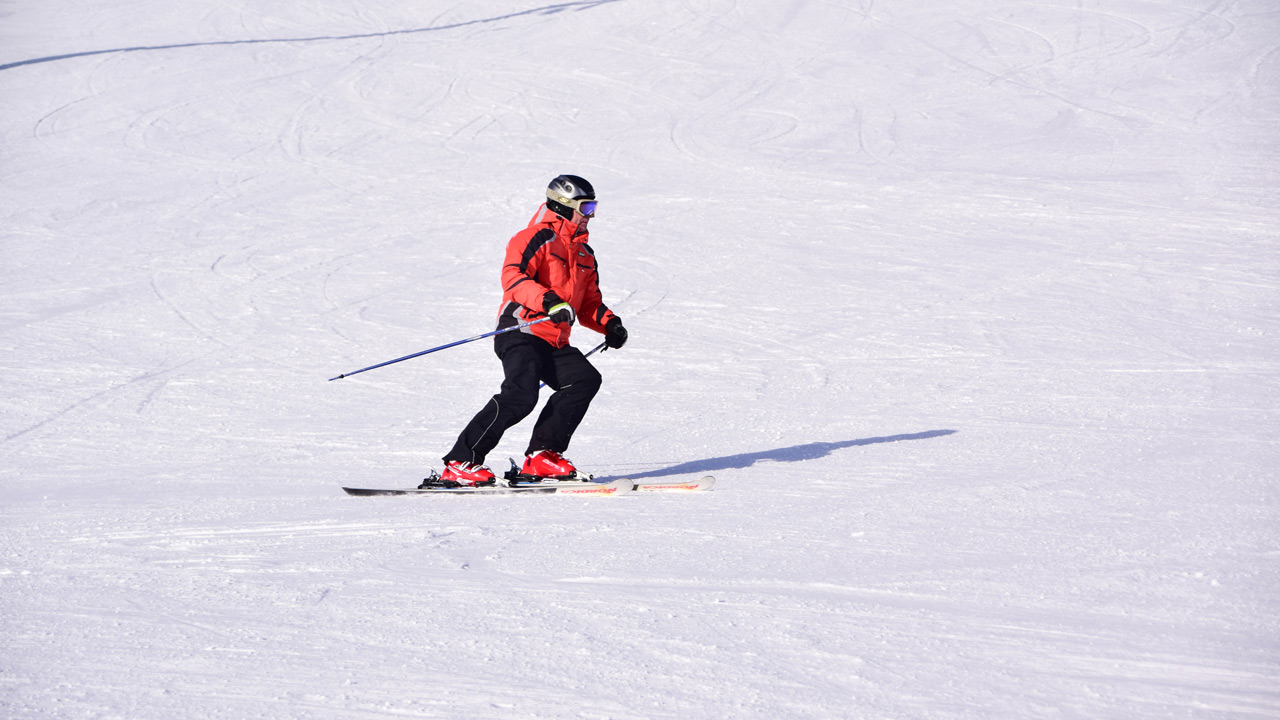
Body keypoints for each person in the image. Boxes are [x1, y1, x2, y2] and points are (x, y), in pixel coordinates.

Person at [435, 174, 628, 487]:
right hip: (521, 330)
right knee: (521, 395)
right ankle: (461, 462)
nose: (590, 214)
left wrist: (610, 323)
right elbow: (513, 278)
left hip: (554, 339)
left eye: (593, 207)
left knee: (583, 379)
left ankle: (543, 457)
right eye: (586, 206)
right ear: (563, 204)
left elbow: (589, 302)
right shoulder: (535, 237)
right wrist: (548, 299)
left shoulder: (583, 254)